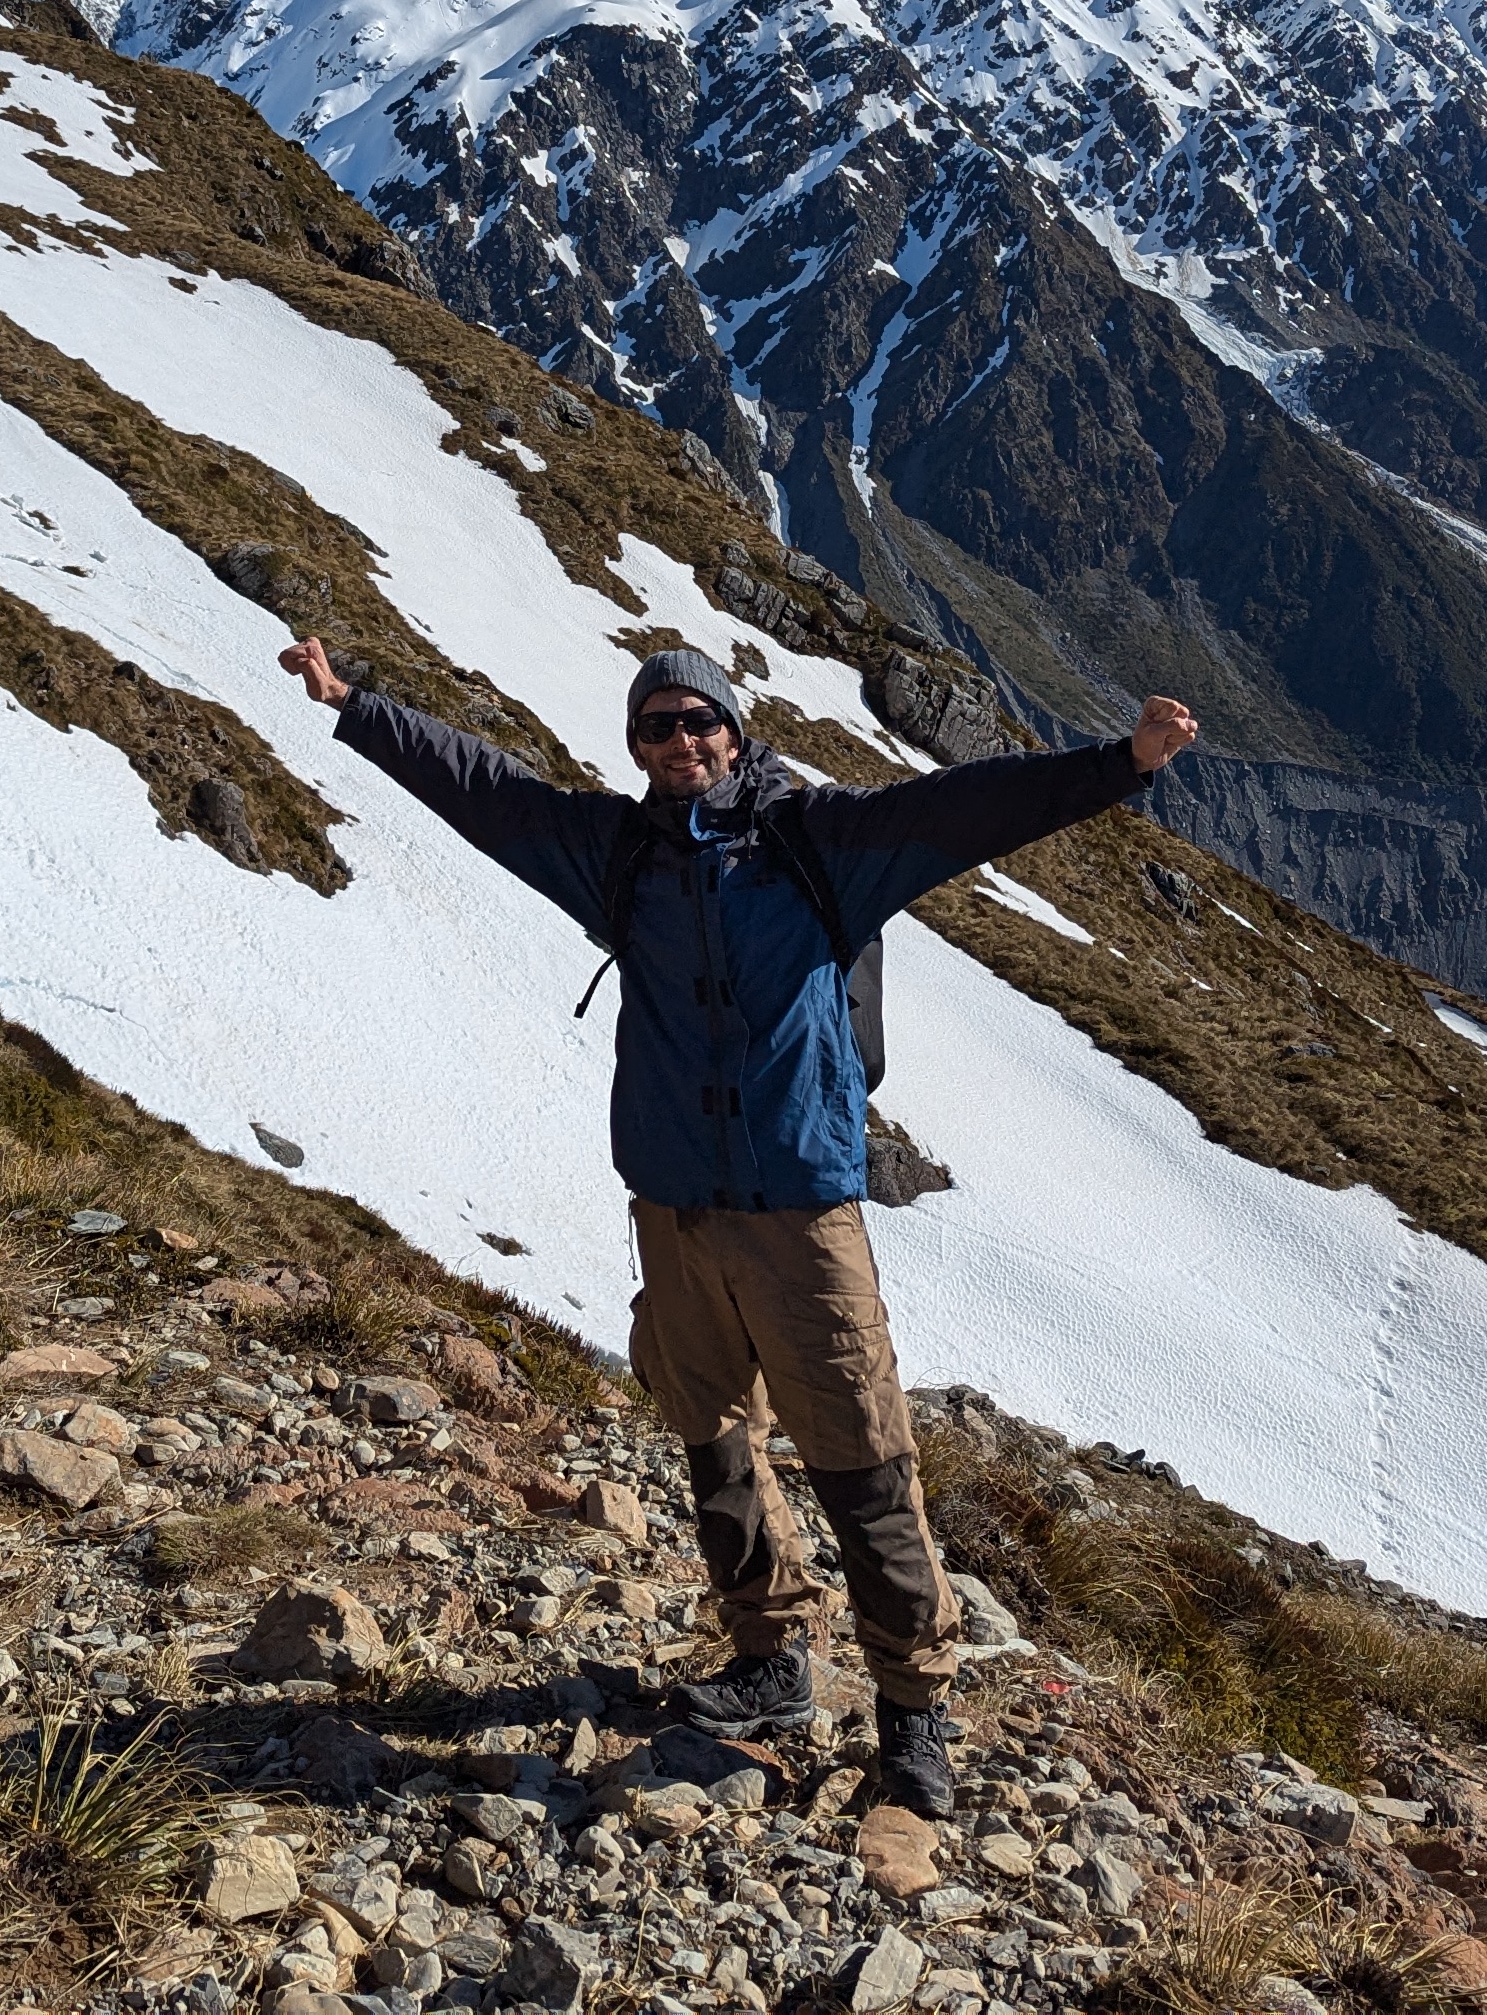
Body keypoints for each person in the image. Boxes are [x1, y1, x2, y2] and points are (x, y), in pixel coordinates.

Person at [278, 629, 1198, 1818]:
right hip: (673, 1206)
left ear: (733, 727)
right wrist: (357, 705)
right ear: (638, 746)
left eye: (697, 719)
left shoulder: (818, 843)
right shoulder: (620, 856)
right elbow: (487, 793)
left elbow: (972, 807)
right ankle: (769, 1662)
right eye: (656, 727)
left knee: (860, 1458)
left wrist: (1119, 762)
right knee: (708, 1434)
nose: (680, 741)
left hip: (800, 1211)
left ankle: (914, 1716)